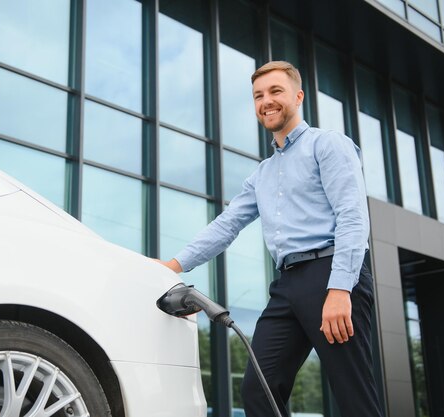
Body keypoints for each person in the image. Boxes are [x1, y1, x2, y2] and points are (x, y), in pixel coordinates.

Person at [155, 61, 383, 417]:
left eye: (275, 91)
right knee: (259, 390)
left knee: (353, 394)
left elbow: (353, 217)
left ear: (298, 95)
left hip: (332, 274)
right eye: (258, 96)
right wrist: (173, 265)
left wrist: (340, 288)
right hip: (287, 285)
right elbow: (227, 224)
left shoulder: (327, 145)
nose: (266, 101)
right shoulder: (263, 173)